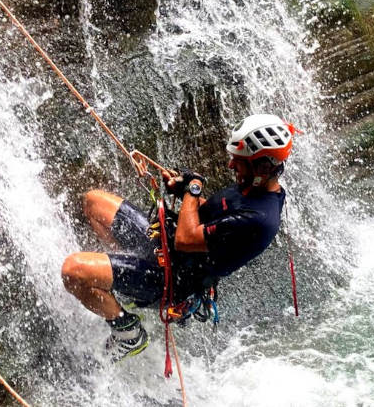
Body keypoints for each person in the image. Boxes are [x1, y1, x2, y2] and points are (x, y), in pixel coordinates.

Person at [61, 114, 295, 362]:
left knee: (73, 271)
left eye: (239, 162)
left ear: (262, 167)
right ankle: (120, 283)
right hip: (163, 244)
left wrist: (193, 188)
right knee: (94, 202)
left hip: (171, 279)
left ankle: (128, 333)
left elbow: (186, 238)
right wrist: (184, 191)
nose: (230, 166)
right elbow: (209, 214)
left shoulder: (259, 219)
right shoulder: (252, 187)